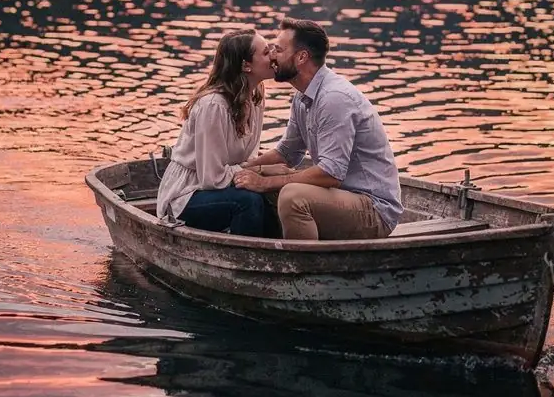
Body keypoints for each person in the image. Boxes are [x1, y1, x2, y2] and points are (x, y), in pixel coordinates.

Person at [234, 17, 402, 240]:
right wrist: (242, 167)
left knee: (292, 196)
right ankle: (265, 255)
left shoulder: (334, 98)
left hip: (373, 209)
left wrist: (265, 182)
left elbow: (331, 174)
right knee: (255, 181)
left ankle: (304, 270)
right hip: (340, 198)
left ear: (301, 57)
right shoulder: (303, 95)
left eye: (278, 50)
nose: (272, 56)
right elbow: (287, 153)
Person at [156, 27, 274, 237]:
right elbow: (212, 178)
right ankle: (244, 263)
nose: (273, 55)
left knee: (273, 192)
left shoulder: (256, 96)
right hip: (187, 194)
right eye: (265, 52)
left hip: (219, 185)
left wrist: (265, 176)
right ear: (246, 65)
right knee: (248, 201)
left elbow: (248, 159)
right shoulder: (213, 106)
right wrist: (259, 173)